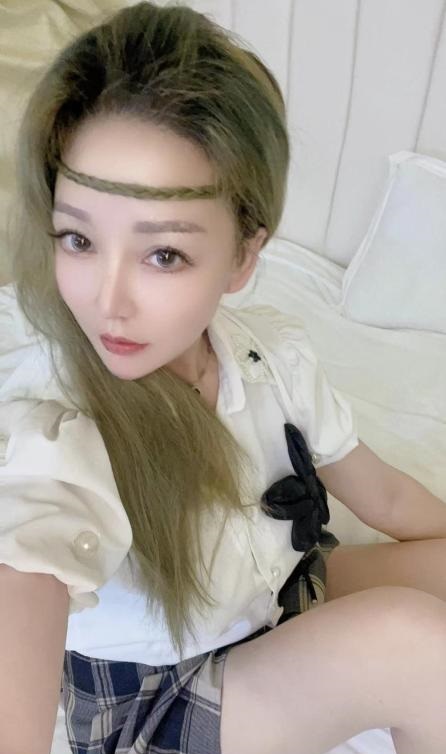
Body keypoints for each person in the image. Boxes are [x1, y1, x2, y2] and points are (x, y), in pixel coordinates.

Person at [1, 2, 446, 753]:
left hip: (273, 598)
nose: (107, 300)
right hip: (155, 699)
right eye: (77, 238)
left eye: (163, 255)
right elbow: (24, 567)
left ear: (243, 255)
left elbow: (389, 497)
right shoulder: (54, 416)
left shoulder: (272, 357)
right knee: (416, 645)